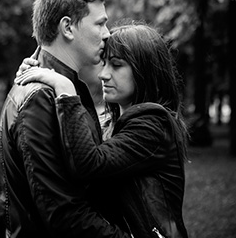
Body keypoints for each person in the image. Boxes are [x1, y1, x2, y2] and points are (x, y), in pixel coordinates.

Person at [15, 22, 189, 238]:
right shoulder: (128, 123)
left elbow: (88, 164)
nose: (103, 74)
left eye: (116, 65)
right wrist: (38, 71)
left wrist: (66, 91)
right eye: (104, 63)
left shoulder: (153, 126)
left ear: (145, 70)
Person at [0, 0, 129, 237]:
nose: (107, 33)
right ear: (67, 27)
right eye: (100, 23)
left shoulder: (60, 87)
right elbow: (62, 214)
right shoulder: (40, 98)